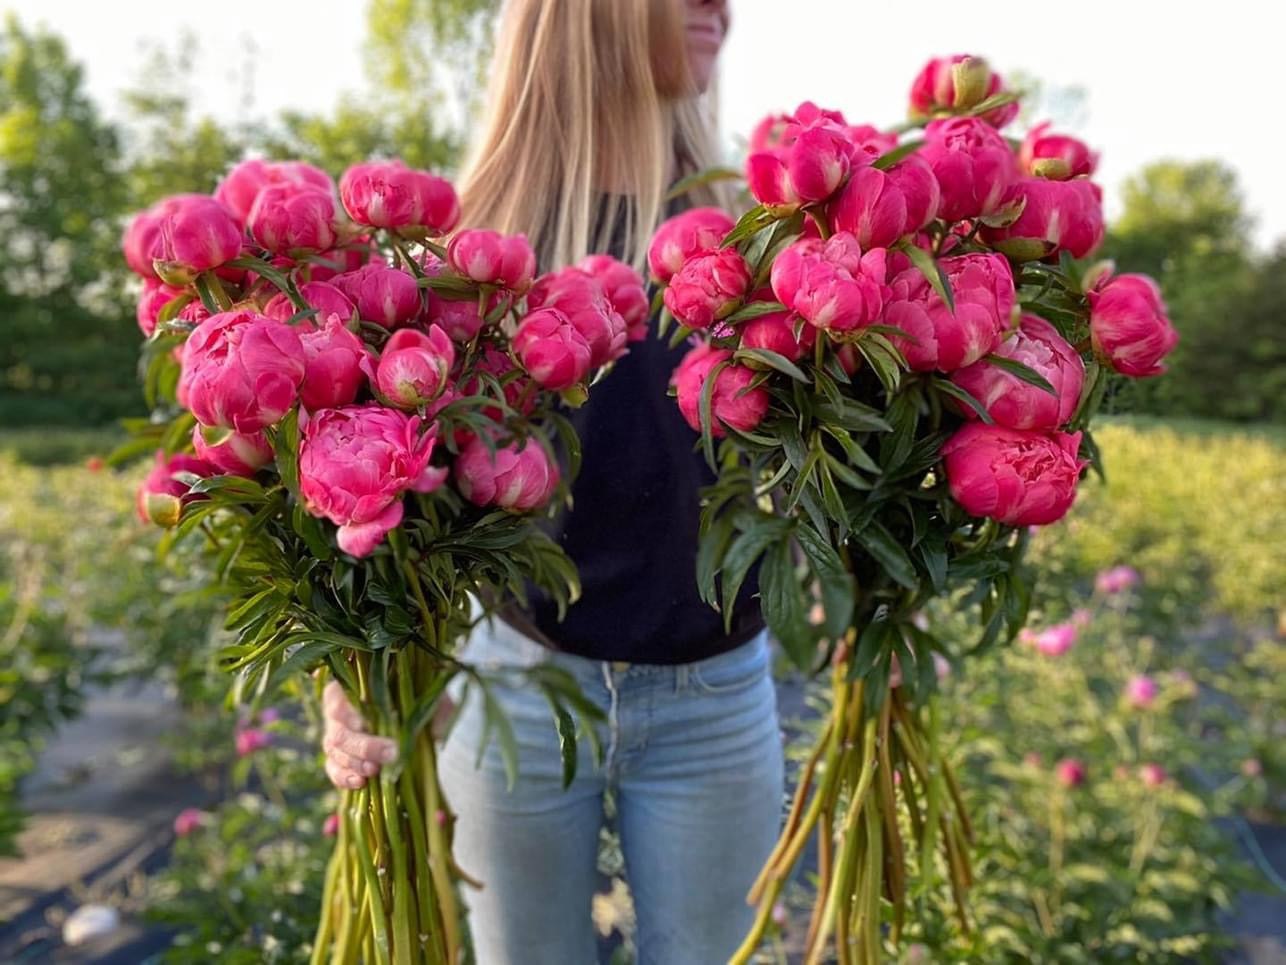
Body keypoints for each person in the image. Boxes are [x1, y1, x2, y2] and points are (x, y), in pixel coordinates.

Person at [320, 2, 784, 962]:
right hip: (518, 681)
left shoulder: (759, 244)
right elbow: (385, 501)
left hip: (717, 690)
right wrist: (356, 671)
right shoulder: (462, 260)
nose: (719, 6)